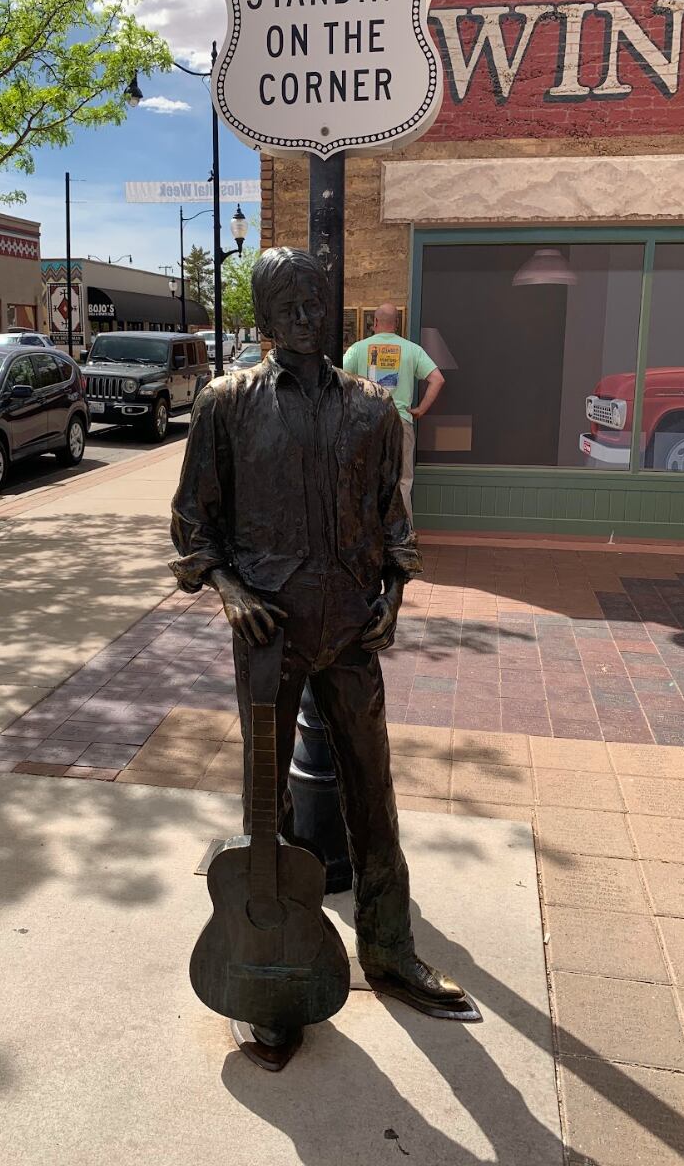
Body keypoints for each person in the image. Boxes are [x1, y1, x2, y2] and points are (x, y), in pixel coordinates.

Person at [171, 247, 478, 1061]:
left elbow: (393, 521)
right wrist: (232, 593)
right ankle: (268, 974)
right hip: (268, 632)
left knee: (373, 793)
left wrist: (395, 595)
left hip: (349, 627)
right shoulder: (225, 405)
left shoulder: (374, 410)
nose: (305, 312)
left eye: (315, 297)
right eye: (286, 301)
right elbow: (192, 526)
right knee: (263, 809)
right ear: (264, 317)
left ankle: (390, 951)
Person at [343, 304, 445, 523]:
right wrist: (420, 409)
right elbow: (437, 379)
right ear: (396, 324)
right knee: (402, 482)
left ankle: (367, 536)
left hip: (366, 423)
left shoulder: (358, 349)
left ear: (375, 323)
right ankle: (403, 541)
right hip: (400, 421)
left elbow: (337, 377)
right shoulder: (412, 350)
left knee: (366, 480)